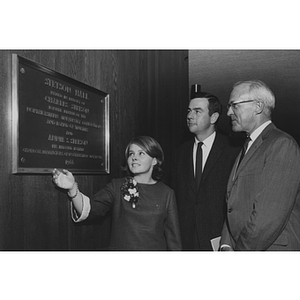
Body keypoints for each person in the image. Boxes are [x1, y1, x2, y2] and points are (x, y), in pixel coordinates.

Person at [52, 136, 182, 250]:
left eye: (141, 153)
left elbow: (173, 239)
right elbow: (90, 209)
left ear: (154, 160)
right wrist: (72, 188)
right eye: (131, 154)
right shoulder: (117, 186)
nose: (134, 157)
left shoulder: (167, 193)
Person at [220, 79, 300, 251]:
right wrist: (226, 244)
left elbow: (268, 217)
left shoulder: (282, 144)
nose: (228, 112)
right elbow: (233, 206)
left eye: (234, 105)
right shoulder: (247, 147)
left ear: (258, 107)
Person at [171, 86, 240, 250]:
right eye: (189, 111)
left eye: (197, 111)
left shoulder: (233, 151)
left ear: (213, 117)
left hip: (219, 240)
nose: (189, 116)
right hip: (184, 239)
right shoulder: (179, 153)